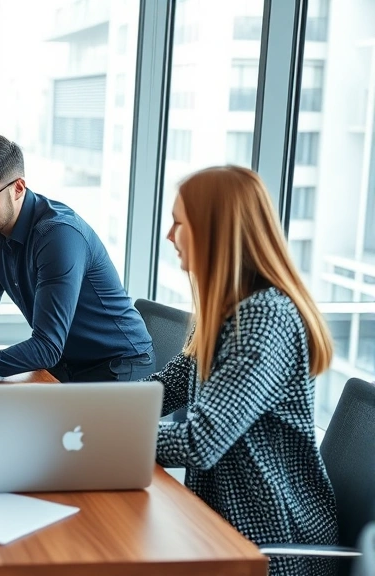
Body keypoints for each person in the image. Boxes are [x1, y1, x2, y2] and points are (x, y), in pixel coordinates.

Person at [153, 165, 337, 576]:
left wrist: (100, 435)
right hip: (221, 522)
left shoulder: (264, 317)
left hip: (274, 539)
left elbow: (200, 440)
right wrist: (86, 411)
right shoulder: (224, 310)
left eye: (179, 223)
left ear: (214, 232)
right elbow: (165, 389)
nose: (169, 237)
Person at [0, 135, 153, 382]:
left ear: (18, 188)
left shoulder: (58, 235)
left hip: (119, 366)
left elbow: (46, 347)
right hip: (65, 364)